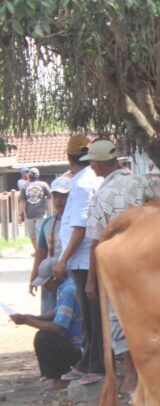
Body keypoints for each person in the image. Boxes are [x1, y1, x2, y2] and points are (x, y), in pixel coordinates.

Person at [83, 137, 160, 395]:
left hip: (117, 268)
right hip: (146, 263)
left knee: (118, 319)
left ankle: (131, 376)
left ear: (98, 165)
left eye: (93, 164)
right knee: (146, 317)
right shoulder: (138, 182)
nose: (92, 168)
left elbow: (95, 243)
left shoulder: (100, 198)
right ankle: (152, 374)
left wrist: (91, 279)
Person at [51, 134, 105, 385]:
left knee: (92, 313)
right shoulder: (91, 178)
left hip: (83, 259)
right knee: (92, 313)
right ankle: (90, 362)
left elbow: (81, 227)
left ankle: (95, 364)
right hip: (86, 257)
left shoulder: (82, 184)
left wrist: (63, 260)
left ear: (70, 158)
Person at [10, 257, 82, 391]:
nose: (44, 287)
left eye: (46, 283)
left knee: (43, 338)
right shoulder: (65, 286)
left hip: (79, 346)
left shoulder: (68, 291)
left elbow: (57, 328)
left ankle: (60, 378)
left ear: (55, 279)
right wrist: (33, 317)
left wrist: (27, 321)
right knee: (44, 335)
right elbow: (56, 313)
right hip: (76, 344)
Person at [29, 177, 71, 315]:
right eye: (55, 196)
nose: (59, 200)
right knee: (48, 313)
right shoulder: (48, 222)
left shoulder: (77, 223)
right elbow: (41, 251)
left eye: (64, 196)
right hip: (49, 277)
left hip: (70, 277)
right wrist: (34, 278)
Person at [20, 168, 52, 252]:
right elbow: (50, 196)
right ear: (38, 175)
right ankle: (39, 252)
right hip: (41, 213)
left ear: (29, 176)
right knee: (39, 233)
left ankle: (37, 251)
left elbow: (22, 201)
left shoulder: (24, 186)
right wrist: (48, 208)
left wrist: (19, 215)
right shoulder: (43, 185)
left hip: (29, 214)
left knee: (32, 234)